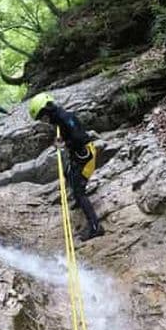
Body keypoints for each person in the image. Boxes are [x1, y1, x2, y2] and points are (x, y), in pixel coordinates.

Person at [28, 92, 105, 242]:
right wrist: (62, 139)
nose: (44, 121)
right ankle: (78, 198)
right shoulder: (59, 119)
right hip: (78, 155)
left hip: (86, 155)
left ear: (48, 109)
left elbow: (78, 137)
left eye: (43, 117)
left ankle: (96, 227)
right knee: (67, 173)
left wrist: (63, 144)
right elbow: (69, 134)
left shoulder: (65, 117)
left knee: (79, 190)